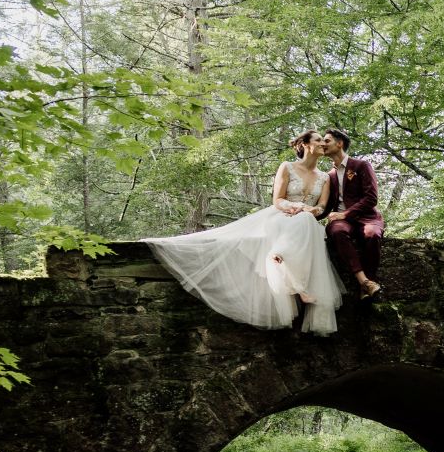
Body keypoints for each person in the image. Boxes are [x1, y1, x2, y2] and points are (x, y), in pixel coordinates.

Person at [143, 131, 345, 334]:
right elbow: (277, 200)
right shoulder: (287, 167)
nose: (323, 144)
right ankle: (295, 280)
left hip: (305, 221)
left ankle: (281, 257)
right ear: (305, 145)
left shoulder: (324, 177)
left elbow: (321, 207)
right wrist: (296, 206)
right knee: (303, 219)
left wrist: (311, 210)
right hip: (282, 217)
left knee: (306, 219)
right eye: (318, 140)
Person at [320, 127, 385, 300]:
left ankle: (368, 284)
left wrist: (346, 213)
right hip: (342, 222)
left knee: (372, 234)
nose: (322, 144)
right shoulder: (328, 176)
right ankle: (365, 282)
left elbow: (371, 198)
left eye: (327, 141)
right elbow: (325, 207)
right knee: (337, 232)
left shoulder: (361, 166)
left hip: (367, 217)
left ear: (339, 143)